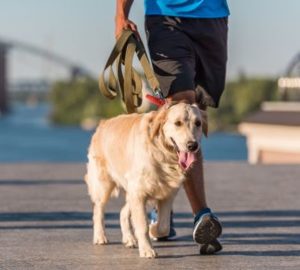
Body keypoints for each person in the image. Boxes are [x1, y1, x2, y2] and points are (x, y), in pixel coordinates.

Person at [115, 0, 229, 254]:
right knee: (182, 107)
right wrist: (121, 14)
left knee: (198, 111)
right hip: (165, 18)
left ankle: (163, 202)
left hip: (213, 17)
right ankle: (201, 214)